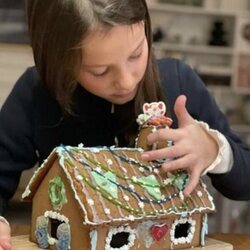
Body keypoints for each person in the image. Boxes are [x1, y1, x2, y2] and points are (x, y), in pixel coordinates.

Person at [1, 0, 250, 235]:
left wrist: (215, 150)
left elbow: (245, 179)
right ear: (58, 63)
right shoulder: (35, 93)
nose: (126, 81)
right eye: (99, 71)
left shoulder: (178, 81)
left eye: (136, 54)